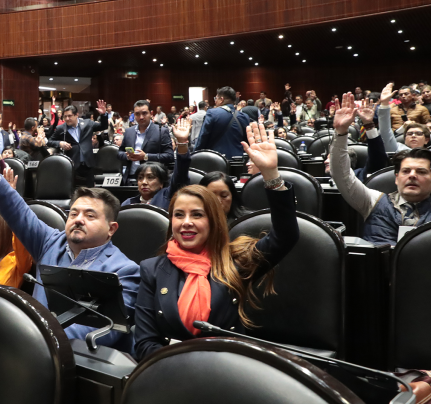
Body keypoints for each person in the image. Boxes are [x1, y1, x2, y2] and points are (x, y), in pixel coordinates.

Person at [133, 122, 299, 360]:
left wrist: (271, 174)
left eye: (197, 215)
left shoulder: (236, 261)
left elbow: (286, 236)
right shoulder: (152, 269)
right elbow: (146, 343)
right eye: (179, 215)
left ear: (213, 222)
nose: (186, 222)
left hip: (228, 372)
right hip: (172, 373)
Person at [0, 128, 139, 352]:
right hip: (32, 350)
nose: (78, 219)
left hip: (82, 363)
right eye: (73, 213)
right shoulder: (49, 242)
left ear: (111, 229)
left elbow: (106, 332)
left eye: (90, 216)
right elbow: (17, 211)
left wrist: (37, 334)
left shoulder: (125, 271)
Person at [331, 92, 431, 245]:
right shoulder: (372, 200)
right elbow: (341, 175)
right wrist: (341, 133)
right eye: (406, 171)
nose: (412, 175)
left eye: (421, 171)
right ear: (396, 178)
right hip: (378, 267)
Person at [121, 119, 191, 209]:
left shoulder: (167, 197)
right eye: (140, 178)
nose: (144, 182)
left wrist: (181, 143)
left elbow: (181, 172)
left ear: (161, 183)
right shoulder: (128, 204)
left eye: (150, 177)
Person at [48, 101, 110, 186]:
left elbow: (103, 126)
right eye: (65, 116)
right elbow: (50, 141)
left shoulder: (87, 124)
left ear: (76, 115)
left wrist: (103, 115)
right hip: (72, 165)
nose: (67, 119)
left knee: (90, 191)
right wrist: (60, 143)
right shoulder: (61, 128)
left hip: (88, 164)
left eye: (69, 116)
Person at [118, 100, 173, 183]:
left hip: (153, 178)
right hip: (131, 178)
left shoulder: (161, 131)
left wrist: (146, 156)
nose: (141, 117)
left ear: (151, 113)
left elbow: (169, 156)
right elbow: (119, 153)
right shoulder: (129, 131)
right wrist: (127, 156)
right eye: (137, 114)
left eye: (144, 113)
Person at [196, 86, 251, 158]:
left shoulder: (212, 113)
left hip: (217, 160)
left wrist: (195, 154)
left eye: (216, 98)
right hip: (239, 159)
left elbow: (203, 137)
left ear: (221, 99)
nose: (215, 101)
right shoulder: (244, 116)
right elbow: (247, 140)